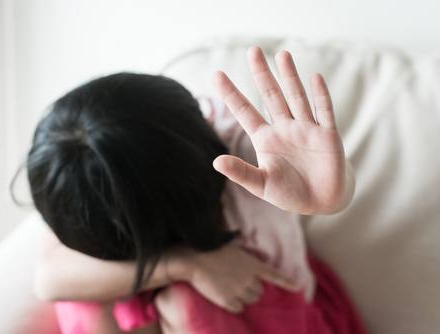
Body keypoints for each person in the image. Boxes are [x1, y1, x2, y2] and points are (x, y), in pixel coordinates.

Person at [28, 47, 366, 333]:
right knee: (82, 301)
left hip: (282, 307)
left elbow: (318, 187)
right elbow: (50, 280)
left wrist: (331, 196)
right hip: (160, 254)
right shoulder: (91, 183)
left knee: (185, 304)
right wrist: (187, 264)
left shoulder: (246, 157)